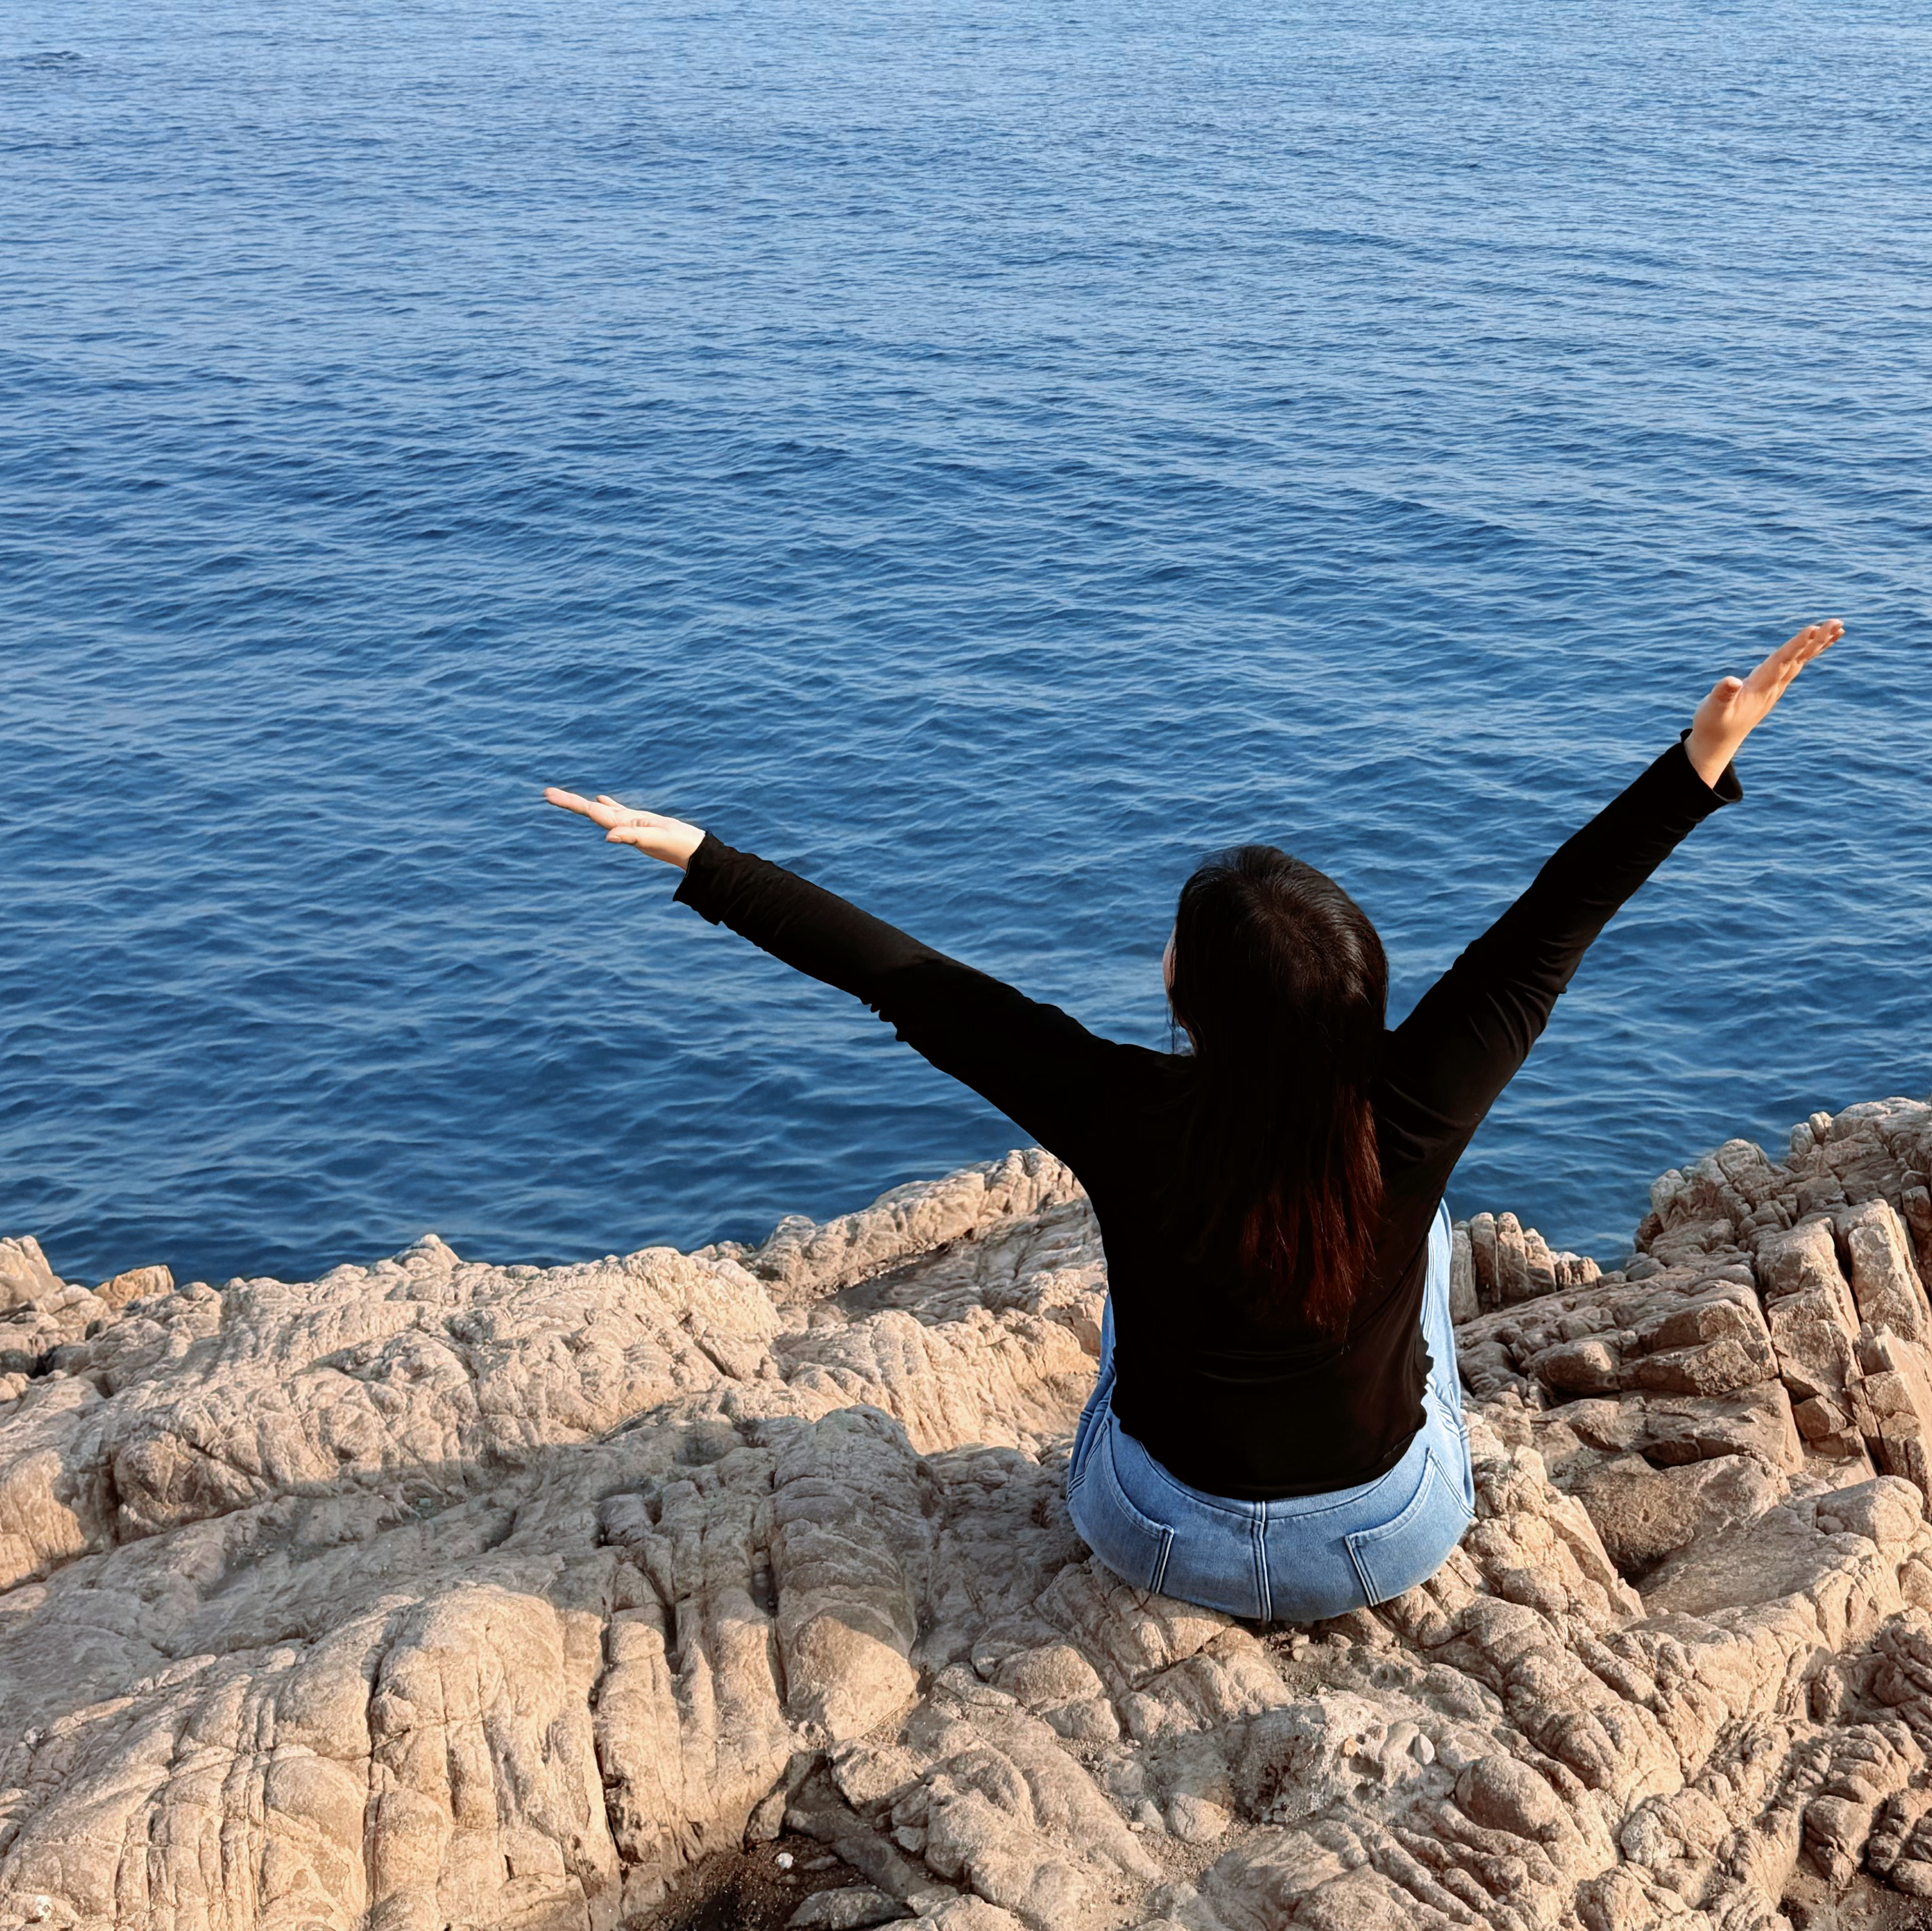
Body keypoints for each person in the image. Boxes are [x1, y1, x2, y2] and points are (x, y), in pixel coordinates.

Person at [544, 618, 1841, 1626]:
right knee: (1426, 1244)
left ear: (1191, 994)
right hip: (1384, 1543)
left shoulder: (1117, 1108)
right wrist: (1695, 768)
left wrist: (704, 860)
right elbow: (1546, 933)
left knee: (1124, 1312)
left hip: (1155, 1533)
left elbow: (905, 981)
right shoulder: (1418, 1099)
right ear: (1364, 993)